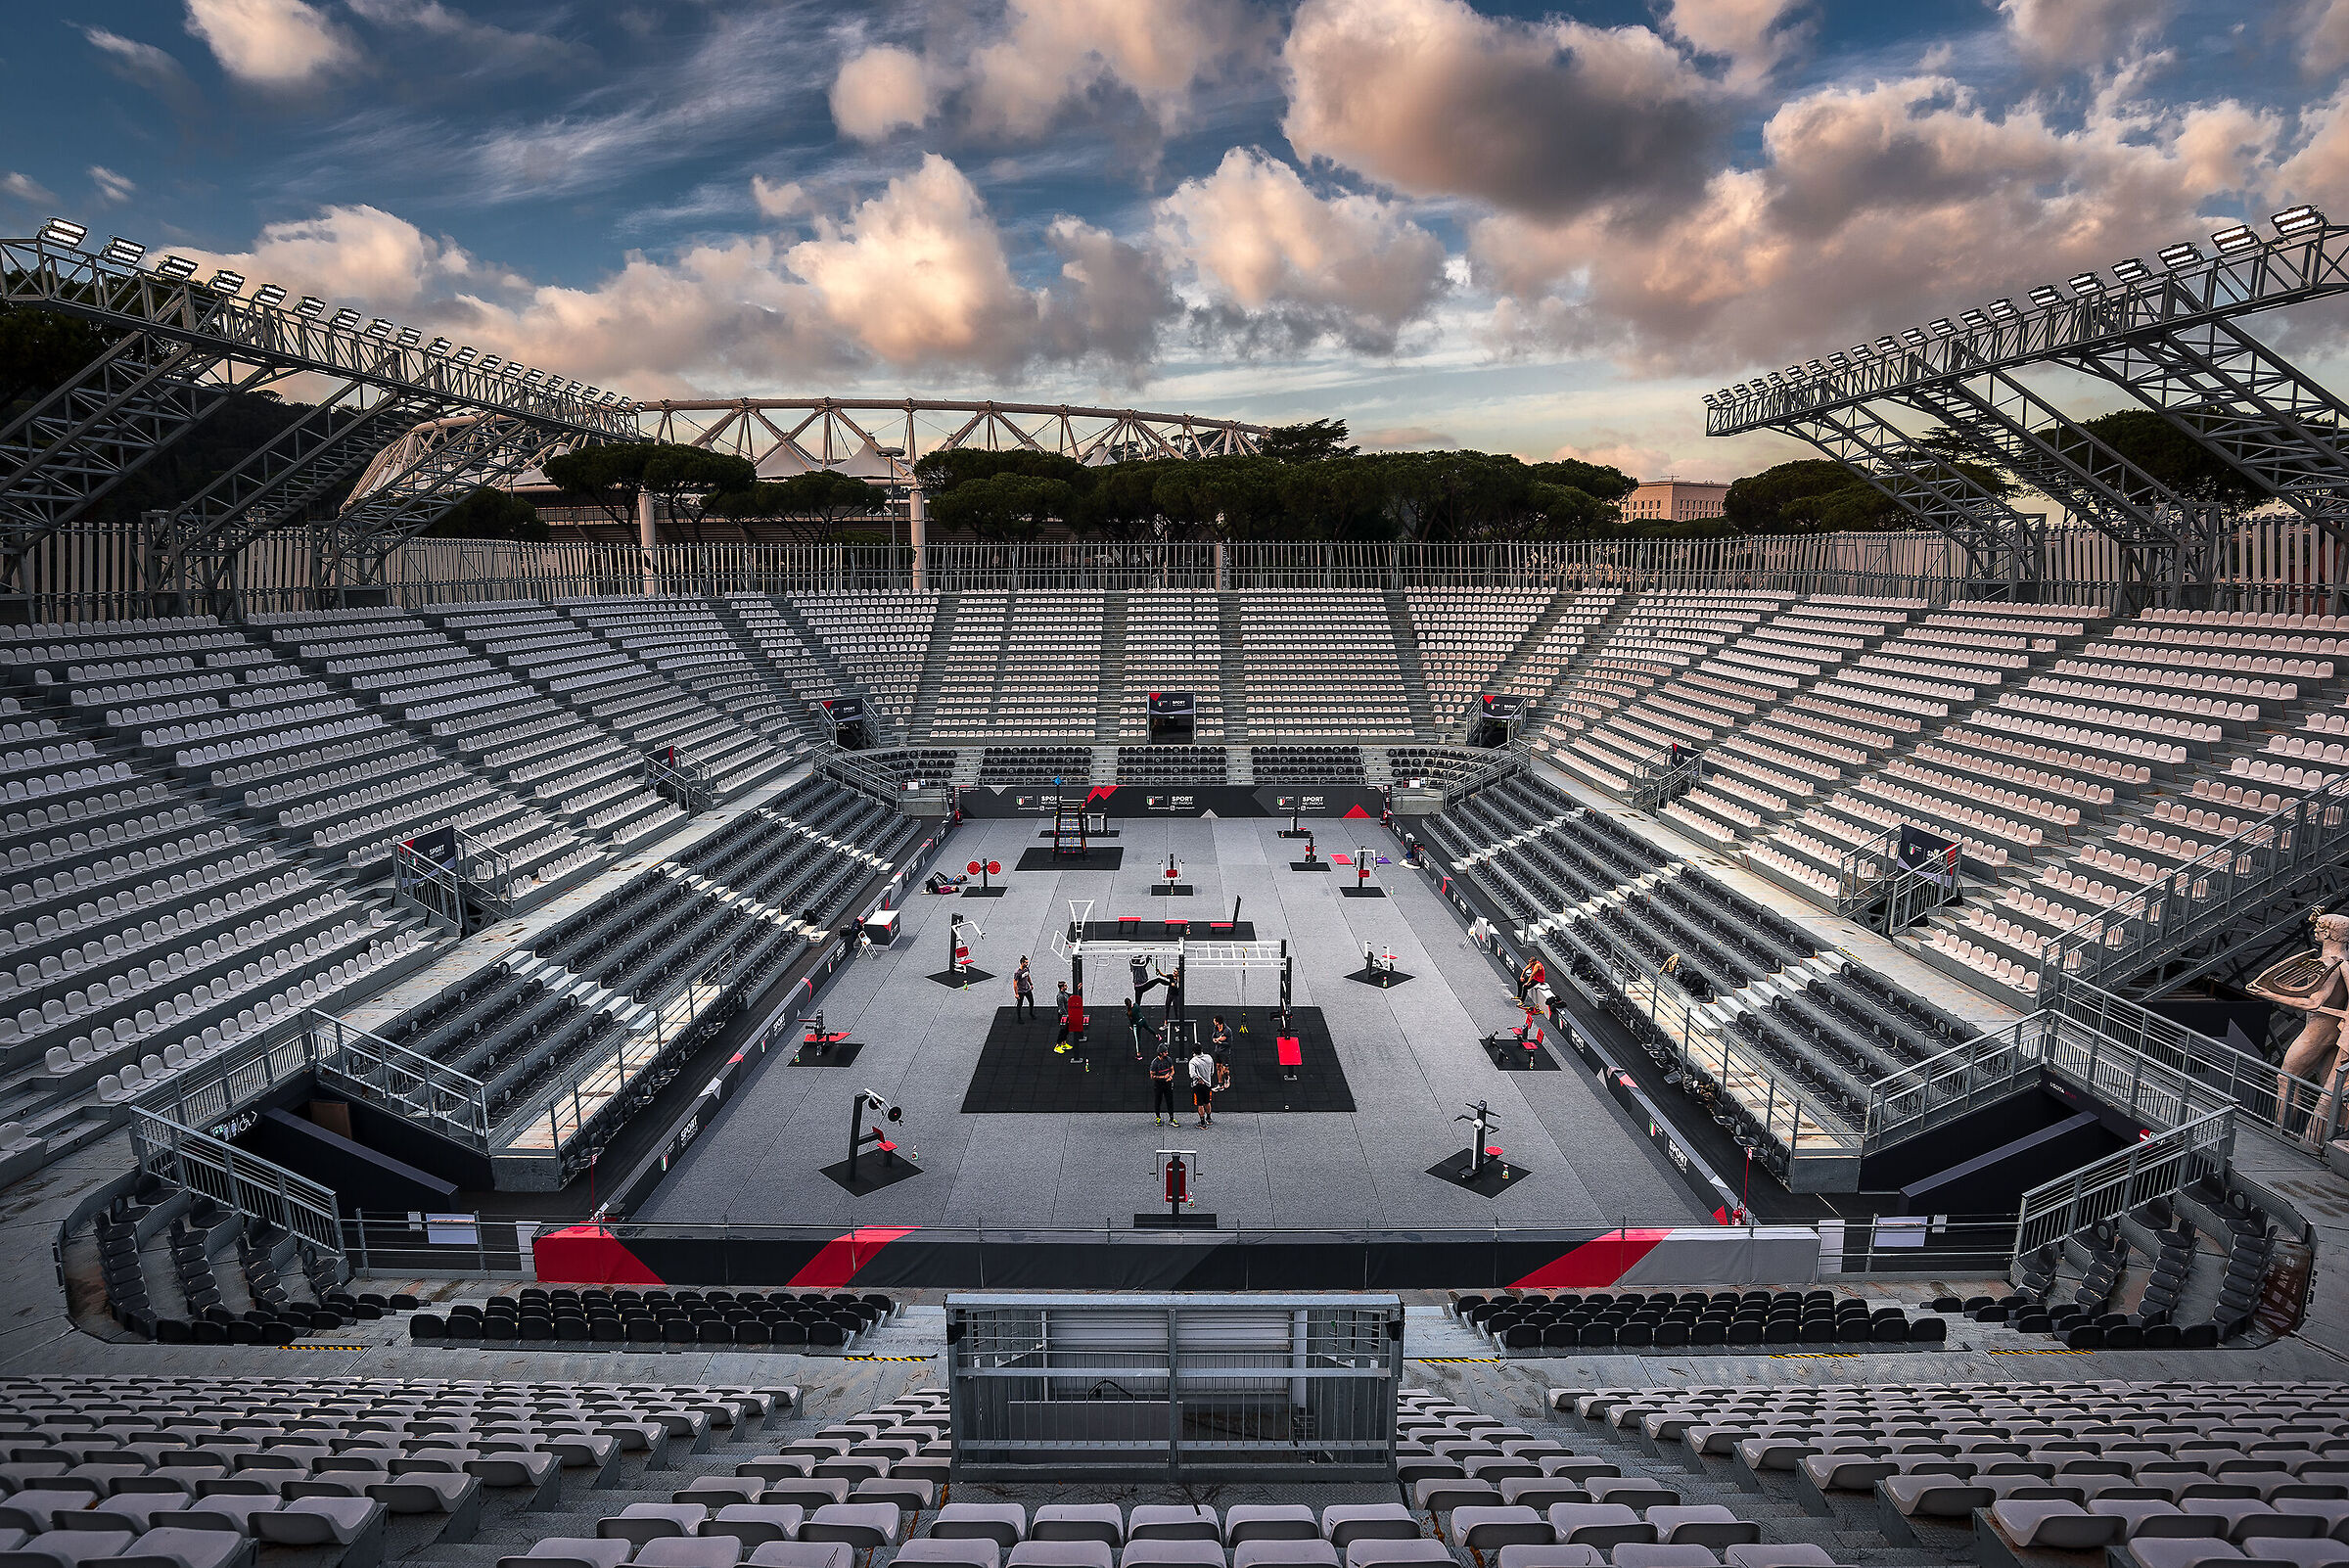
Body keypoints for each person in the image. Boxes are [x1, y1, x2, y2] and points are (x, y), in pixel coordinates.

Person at [1149, 1040, 1178, 1126]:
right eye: (1165, 1052)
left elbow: (1172, 1070)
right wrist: (1163, 1077)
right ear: (1160, 1053)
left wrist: (1170, 1076)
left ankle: (1171, 1118)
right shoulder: (1155, 1063)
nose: (1167, 1053)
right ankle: (1158, 1117)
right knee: (1158, 1101)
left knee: (1170, 1101)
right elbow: (1152, 1076)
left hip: (1167, 1083)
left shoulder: (1168, 1059)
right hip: (1158, 1084)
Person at [1189, 1043, 1217, 1126]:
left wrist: (1199, 1079)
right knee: (1207, 1102)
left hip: (1198, 1086)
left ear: (1193, 1052)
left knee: (1200, 1104)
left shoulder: (1193, 1061)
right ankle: (1209, 1118)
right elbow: (1212, 1071)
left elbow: (1192, 1074)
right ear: (1201, 1050)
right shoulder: (1209, 1058)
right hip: (1208, 1084)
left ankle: (1202, 1123)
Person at [1052, 981, 1074, 1054]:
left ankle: (1064, 1044)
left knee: (1066, 1030)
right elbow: (1062, 1008)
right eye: (1065, 986)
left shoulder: (1064, 993)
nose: (1067, 987)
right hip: (1063, 1016)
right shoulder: (1060, 996)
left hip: (1066, 1014)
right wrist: (1067, 1016)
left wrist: (1077, 989)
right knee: (1063, 1031)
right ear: (1062, 987)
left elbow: (1071, 995)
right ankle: (1057, 1046)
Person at [1013, 957, 1035, 1021]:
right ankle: (1019, 1018)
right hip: (1020, 991)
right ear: (1022, 963)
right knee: (1020, 1004)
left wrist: (1031, 984)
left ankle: (1031, 1013)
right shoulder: (1018, 972)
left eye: (1027, 962)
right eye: (1026, 962)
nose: (1027, 964)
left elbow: (1028, 977)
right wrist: (1016, 994)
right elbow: (1015, 983)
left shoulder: (1026, 969)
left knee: (1031, 1001)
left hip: (1027, 989)